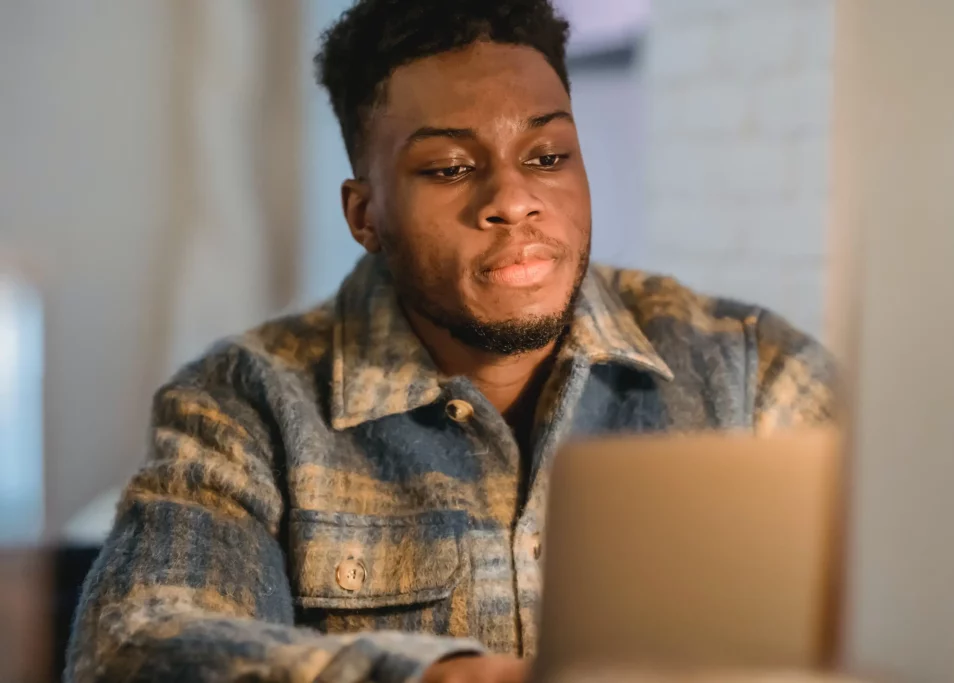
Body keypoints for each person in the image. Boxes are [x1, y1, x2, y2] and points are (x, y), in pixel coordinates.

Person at [65, 1, 835, 681]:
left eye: (547, 157)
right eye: (450, 167)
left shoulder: (751, 370)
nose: (513, 200)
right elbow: (134, 648)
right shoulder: (246, 402)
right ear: (366, 215)